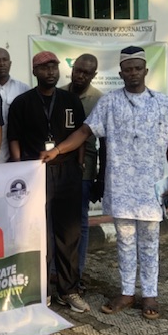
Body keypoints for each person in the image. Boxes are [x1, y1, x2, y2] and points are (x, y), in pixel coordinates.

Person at [41, 46, 168, 320]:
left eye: (137, 69)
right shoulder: (109, 103)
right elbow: (84, 131)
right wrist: (58, 150)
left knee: (150, 241)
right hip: (120, 187)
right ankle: (127, 292)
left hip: (152, 188)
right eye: (127, 70)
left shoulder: (163, 104)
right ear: (120, 73)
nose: (133, 74)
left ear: (146, 71)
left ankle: (150, 294)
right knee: (126, 241)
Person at [7, 50, 90, 313]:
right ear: (34, 72)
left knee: (69, 233)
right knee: (38, 234)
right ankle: (41, 291)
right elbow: (15, 139)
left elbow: (81, 133)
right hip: (35, 173)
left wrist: (78, 164)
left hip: (67, 172)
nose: (50, 72)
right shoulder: (22, 103)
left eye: (54, 67)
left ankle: (70, 290)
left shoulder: (71, 100)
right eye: (44, 68)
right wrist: (22, 168)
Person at [59, 53, 105, 291]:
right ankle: (59, 272)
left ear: (94, 75)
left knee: (81, 221)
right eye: (77, 70)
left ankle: (77, 273)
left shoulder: (99, 99)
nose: (80, 75)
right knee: (59, 220)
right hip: (59, 166)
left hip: (85, 167)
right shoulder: (59, 93)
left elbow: (104, 142)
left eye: (86, 72)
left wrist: (100, 177)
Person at [0, 48, 29, 163]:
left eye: (5, 60)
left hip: (18, 151)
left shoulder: (23, 89)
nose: (1, 64)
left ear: (10, 63)